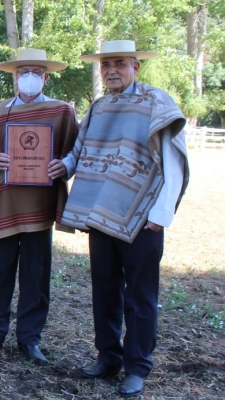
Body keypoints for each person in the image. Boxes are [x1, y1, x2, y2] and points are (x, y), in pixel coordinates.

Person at [62, 40, 189, 397]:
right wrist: (63, 167)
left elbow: (173, 161)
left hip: (142, 217)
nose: (111, 70)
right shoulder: (99, 107)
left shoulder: (156, 102)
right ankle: (108, 357)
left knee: (141, 295)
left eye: (119, 63)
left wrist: (161, 214)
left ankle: (137, 367)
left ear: (136, 66)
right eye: (106, 65)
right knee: (104, 290)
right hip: (102, 214)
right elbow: (80, 150)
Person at [0, 49, 79, 365]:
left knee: (36, 275)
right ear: (14, 76)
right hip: (2, 203)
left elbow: (77, 149)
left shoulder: (61, 111)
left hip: (39, 208)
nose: (29, 77)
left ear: (46, 77)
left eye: (36, 71)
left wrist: (66, 165)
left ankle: (30, 339)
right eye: (23, 71)